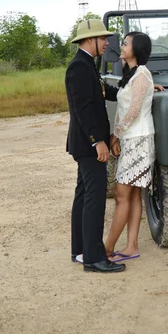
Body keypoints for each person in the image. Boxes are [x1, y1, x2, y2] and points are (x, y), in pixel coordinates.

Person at [65, 19, 126, 273]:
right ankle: (93, 258)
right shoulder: (79, 68)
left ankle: (80, 251)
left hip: (86, 143)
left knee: (84, 195)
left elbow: (105, 92)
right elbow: (83, 109)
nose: (107, 43)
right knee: (95, 198)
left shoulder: (87, 65)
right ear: (90, 40)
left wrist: (134, 88)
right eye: (103, 39)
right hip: (89, 144)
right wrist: (97, 141)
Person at [105, 31, 156, 262]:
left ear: (136, 49)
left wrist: (114, 136)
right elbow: (127, 103)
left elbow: (134, 111)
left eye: (125, 44)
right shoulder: (134, 75)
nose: (122, 47)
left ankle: (106, 249)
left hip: (139, 139)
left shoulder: (142, 73)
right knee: (133, 194)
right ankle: (131, 246)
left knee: (122, 194)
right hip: (132, 138)